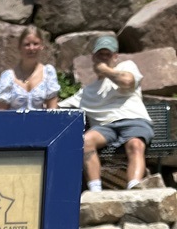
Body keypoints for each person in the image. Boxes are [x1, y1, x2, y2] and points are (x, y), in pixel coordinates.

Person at [59, 35, 154, 191]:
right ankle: (95, 191)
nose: (104, 58)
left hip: (133, 121)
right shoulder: (87, 92)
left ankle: (134, 188)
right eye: (100, 54)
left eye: (107, 54)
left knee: (135, 144)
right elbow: (57, 108)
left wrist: (104, 70)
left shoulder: (127, 67)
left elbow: (127, 82)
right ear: (93, 57)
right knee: (85, 141)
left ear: (115, 56)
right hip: (105, 128)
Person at [0, 26, 60, 111]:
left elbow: (52, 110)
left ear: (41, 46)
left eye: (35, 44)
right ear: (19, 47)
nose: (31, 48)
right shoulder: (8, 77)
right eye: (27, 44)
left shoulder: (48, 73)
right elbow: (1, 112)